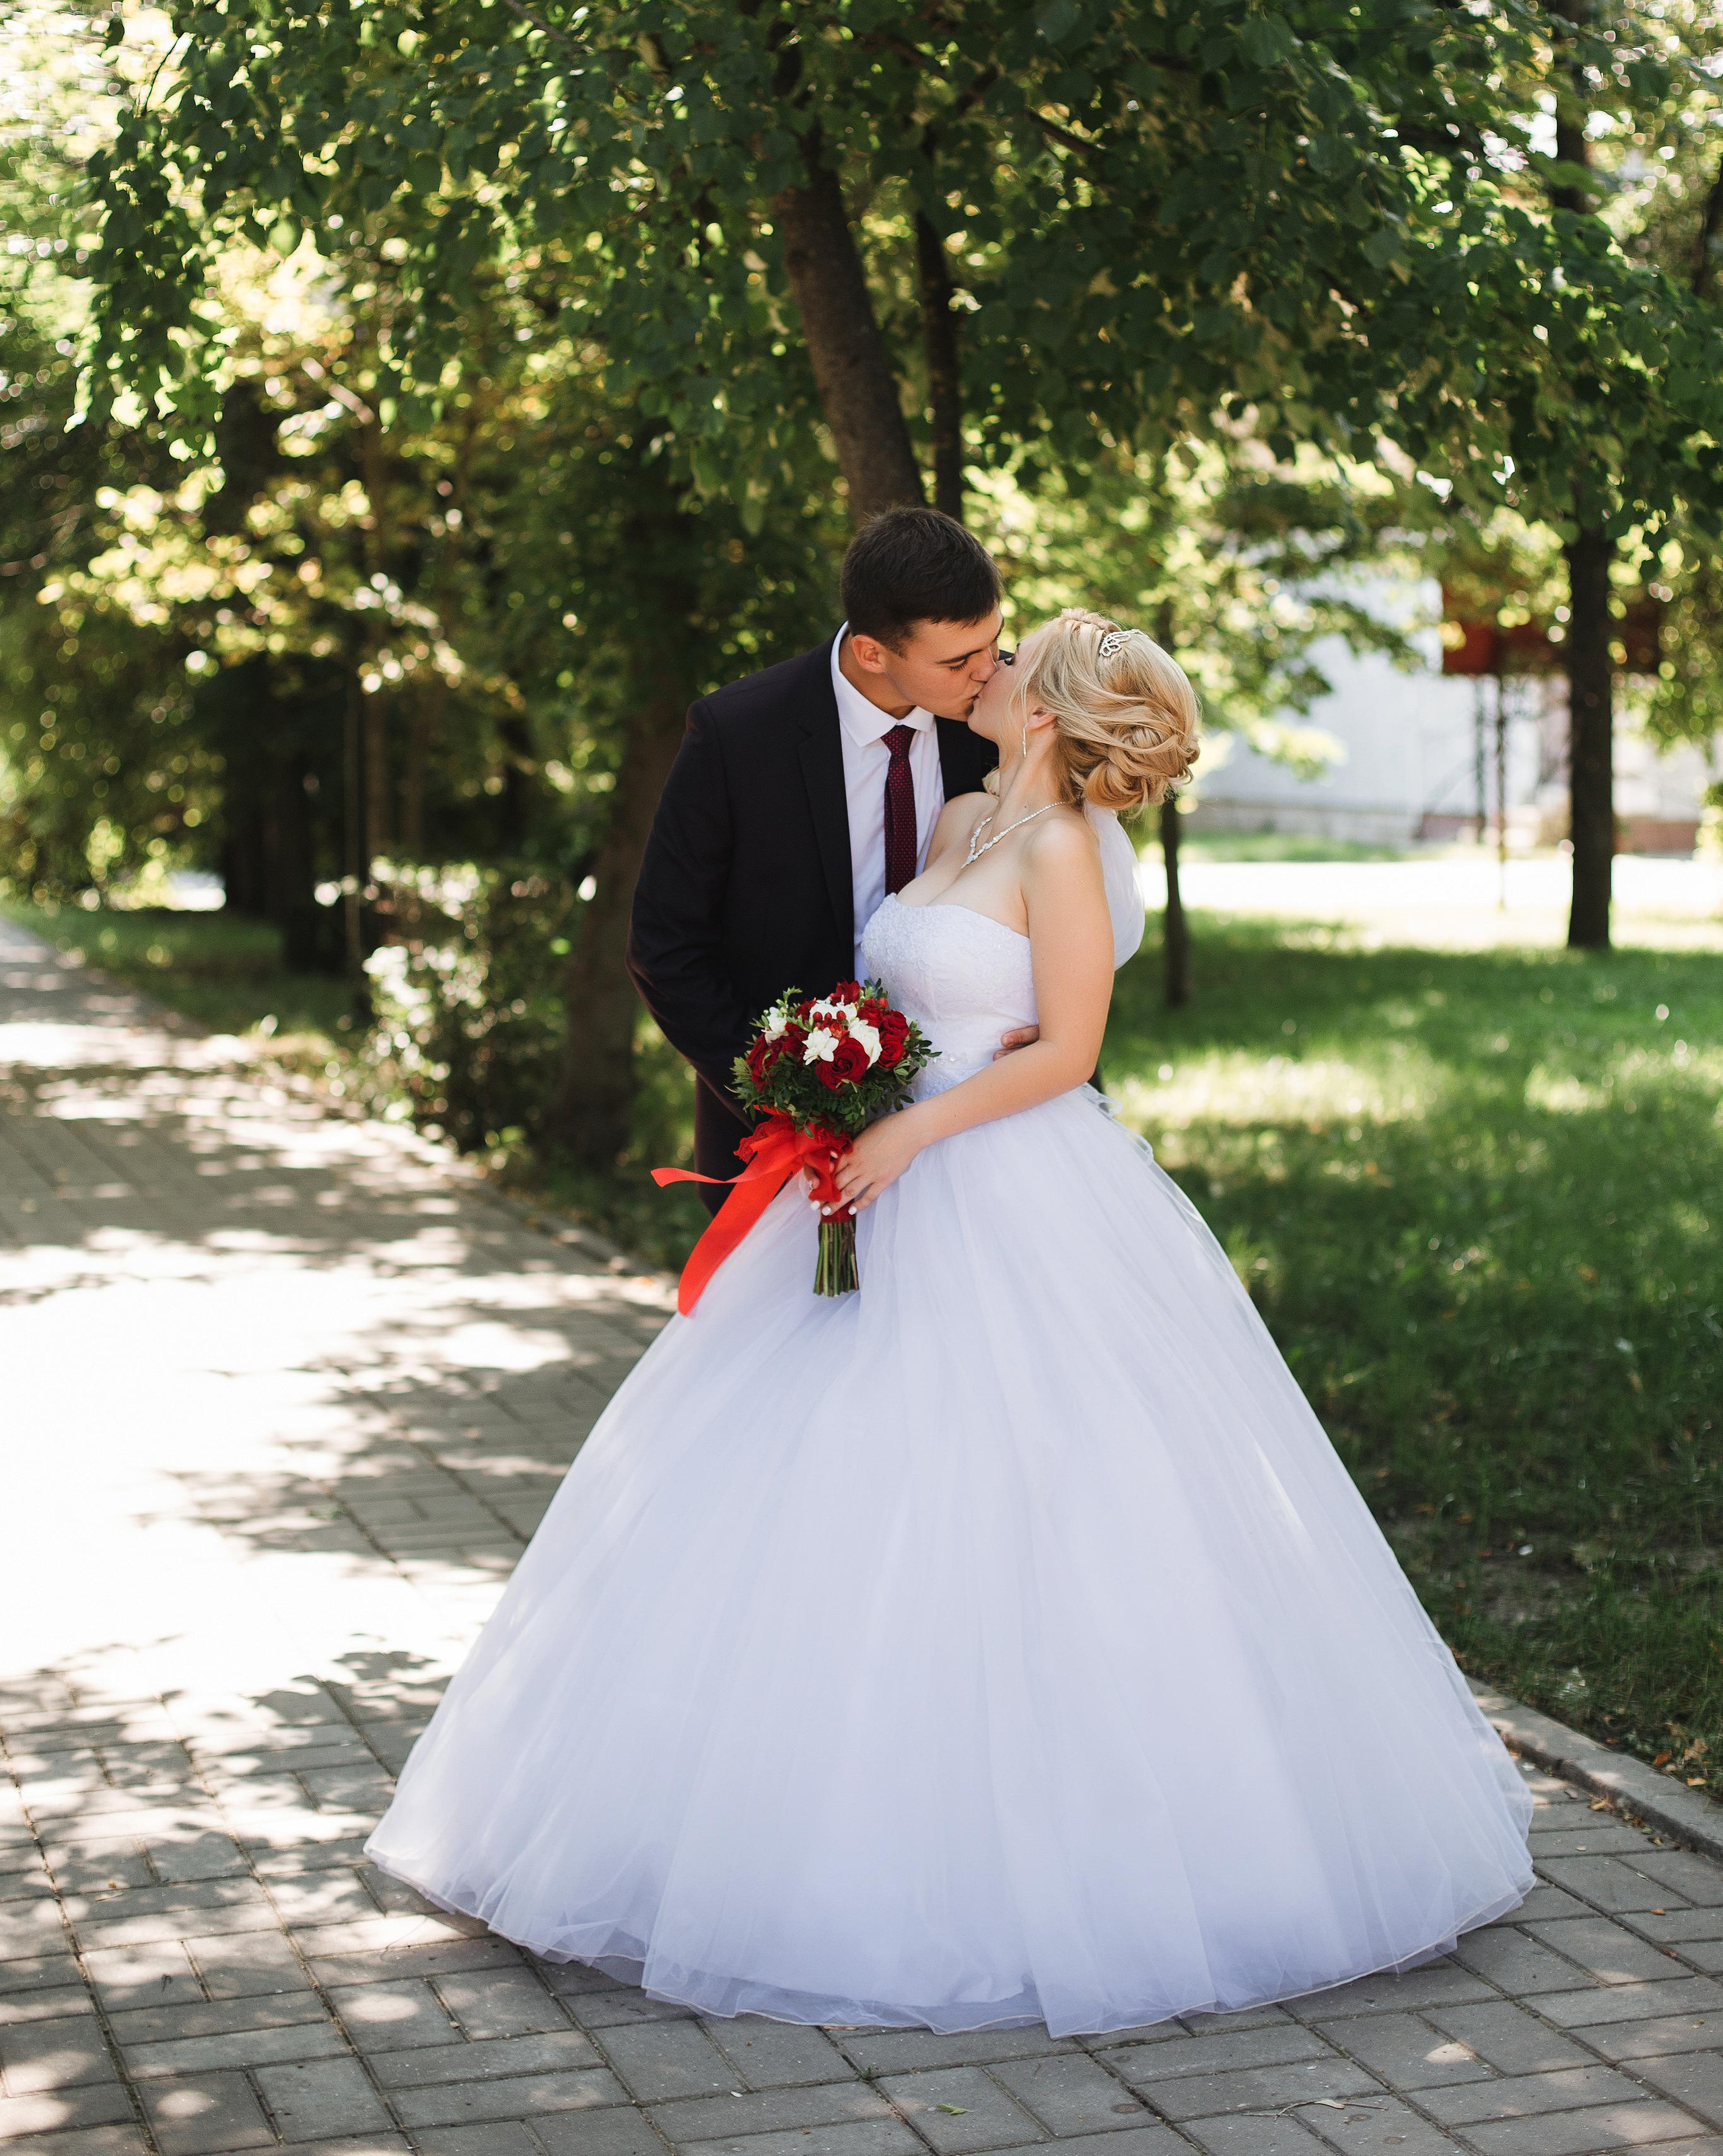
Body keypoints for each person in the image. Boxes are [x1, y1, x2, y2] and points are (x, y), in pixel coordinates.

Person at [366, 608, 1534, 2037]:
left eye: (1010, 660)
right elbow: (905, 986)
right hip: (873, 1166)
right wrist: (839, 1076)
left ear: (1044, 707)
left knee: (1029, 1482)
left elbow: (1070, 1051)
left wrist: (914, 1130)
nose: (989, 670)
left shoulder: (1062, 852)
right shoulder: (966, 816)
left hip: (1000, 1179)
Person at [627, 507, 1018, 1208]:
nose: (989, 672)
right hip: (787, 1147)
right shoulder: (737, 735)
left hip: (969, 1122)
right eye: (959, 661)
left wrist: (1041, 1014)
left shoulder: (1005, 719)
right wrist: (783, 1103)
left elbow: (1060, 886)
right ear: (873, 653)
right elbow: (666, 946)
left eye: (994, 643)